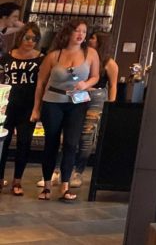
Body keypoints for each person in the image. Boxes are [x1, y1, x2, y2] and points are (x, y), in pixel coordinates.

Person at [32, 19, 99, 202]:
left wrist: (86, 84)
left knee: (71, 143)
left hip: (77, 102)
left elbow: (95, 76)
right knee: (51, 143)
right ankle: (47, 185)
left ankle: (65, 185)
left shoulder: (90, 53)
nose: (80, 35)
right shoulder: (54, 55)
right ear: (68, 33)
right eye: (77, 31)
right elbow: (41, 83)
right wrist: (36, 108)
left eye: (84, 32)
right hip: (53, 101)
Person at [70, 30, 118, 188]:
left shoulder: (109, 63)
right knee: (69, 133)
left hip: (96, 96)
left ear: (100, 42)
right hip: (79, 94)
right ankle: (60, 170)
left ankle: (78, 171)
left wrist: (110, 105)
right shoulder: (82, 56)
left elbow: (113, 85)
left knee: (87, 135)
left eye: (93, 38)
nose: (89, 40)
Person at [0, 22, 41, 195]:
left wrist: (37, 108)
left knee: (24, 143)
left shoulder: (40, 58)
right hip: (7, 106)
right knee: (3, 142)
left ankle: (17, 180)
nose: (30, 41)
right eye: (27, 37)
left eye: (34, 39)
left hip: (28, 106)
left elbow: (41, 84)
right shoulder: (7, 57)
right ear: (20, 37)